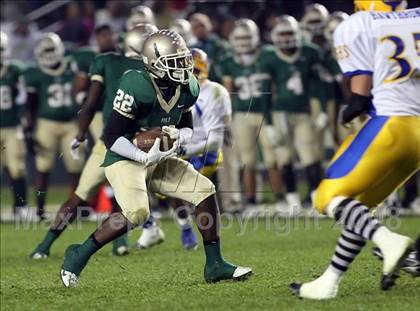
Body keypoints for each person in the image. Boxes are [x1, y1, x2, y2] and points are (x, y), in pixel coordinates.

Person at [60, 29, 252, 287]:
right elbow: (111, 136)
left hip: (159, 156)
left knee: (205, 190)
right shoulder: (136, 83)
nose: (184, 67)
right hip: (124, 156)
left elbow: (186, 124)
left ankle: (215, 264)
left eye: (184, 59)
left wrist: (180, 139)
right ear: (153, 63)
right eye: (175, 62)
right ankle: (78, 255)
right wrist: (142, 154)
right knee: (137, 212)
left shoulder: (188, 86)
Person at [290, 1, 418, 300]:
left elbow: (360, 96)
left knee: (325, 196)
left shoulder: (359, 23)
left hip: (392, 124)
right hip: (417, 135)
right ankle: (329, 280)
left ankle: (389, 241)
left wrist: (347, 112)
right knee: (360, 205)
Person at [30, 24, 158, 259]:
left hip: (110, 141)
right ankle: (120, 242)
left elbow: (90, 103)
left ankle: (44, 246)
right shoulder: (153, 71)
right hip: (142, 141)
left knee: (79, 195)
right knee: (124, 196)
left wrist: (80, 135)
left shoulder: (107, 61)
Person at [171, 47, 232, 249]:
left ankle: (210, 241)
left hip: (206, 153)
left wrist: (186, 150)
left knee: (189, 190)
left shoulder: (215, 92)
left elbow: (215, 141)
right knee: (170, 189)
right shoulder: (172, 88)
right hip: (180, 146)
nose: (189, 76)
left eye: (194, 71)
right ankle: (185, 227)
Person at [220, 19, 283, 210]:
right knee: (247, 161)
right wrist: (227, 119)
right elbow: (228, 92)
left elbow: (275, 86)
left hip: (265, 113)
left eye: (247, 37)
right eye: (239, 37)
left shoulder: (268, 56)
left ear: (255, 37)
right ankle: (252, 201)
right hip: (242, 115)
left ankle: (281, 199)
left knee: (273, 159)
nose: (243, 41)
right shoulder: (228, 62)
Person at [265, 15, 324, 212]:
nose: (286, 38)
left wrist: (321, 110)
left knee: (310, 155)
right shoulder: (270, 56)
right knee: (285, 157)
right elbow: (267, 89)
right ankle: (292, 199)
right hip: (280, 112)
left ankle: (316, 197)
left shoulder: (310, 52)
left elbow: (318, 84)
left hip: (303, 111)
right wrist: (269, 123)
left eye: (289, 33)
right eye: (282, 34)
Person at [24, 33, 86, 220]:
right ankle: (40, 210)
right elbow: (30, 105)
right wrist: (28, 129)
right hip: (46, 123)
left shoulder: (72, 65)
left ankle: (74, 210)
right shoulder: (35, 73)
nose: (49, 54)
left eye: (51, 49)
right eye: (46, 50)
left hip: (71, 123)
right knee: (43, 169)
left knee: (76, 168)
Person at [0, 31, 28, 218]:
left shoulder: (15, 70)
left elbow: (23, 96)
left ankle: (20, 207)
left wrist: (21, 116)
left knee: (16, 167)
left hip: (11, 126)